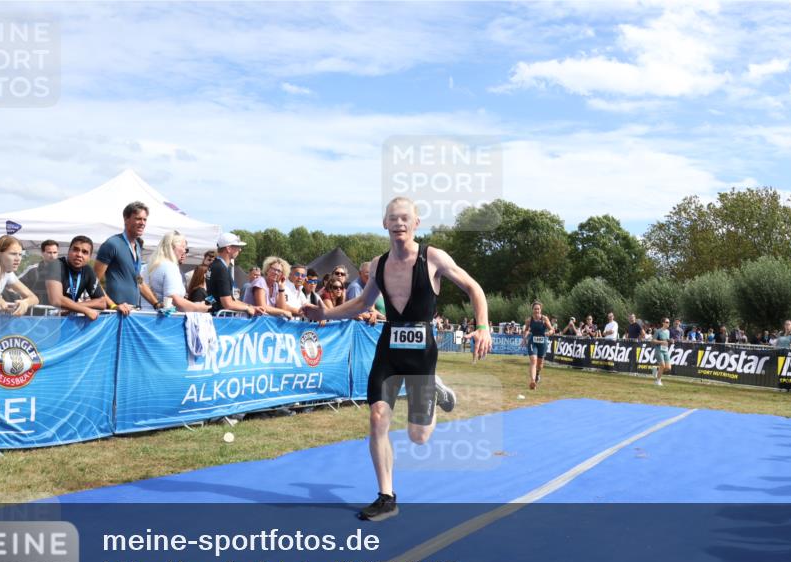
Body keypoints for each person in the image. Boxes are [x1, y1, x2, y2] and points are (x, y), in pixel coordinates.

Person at [301, 196, 492, 522]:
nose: (399, 222)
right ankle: (386, 497)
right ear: (385, 223)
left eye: (406, 217)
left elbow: (473, 288)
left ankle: (433, 388)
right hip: (389, 346)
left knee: (419, 437)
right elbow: (363, 304)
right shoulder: (378, 264)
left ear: (416, 223)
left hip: (422, 352)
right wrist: (327, 313)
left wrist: (483, 327)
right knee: (377, 418)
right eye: (393, 217)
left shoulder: (433, 257)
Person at [94, 201, 161, 311]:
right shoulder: (112, 244)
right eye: (138, 218)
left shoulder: (138, 247)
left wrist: (156, 304)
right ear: (126, 219)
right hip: (116, 313)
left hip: (133, 312)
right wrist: (113, 306)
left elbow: (138, 280)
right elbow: (94, 282)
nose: (142, 223)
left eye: (144, 219)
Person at [44, 235, 123, 320]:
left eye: (84, 252)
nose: (79, 254)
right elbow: (56, 299)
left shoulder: (88, 270)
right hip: (43, 320)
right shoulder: (55, 265)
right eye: (75, 249)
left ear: (89, 257)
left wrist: (73, 307)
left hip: (64, 320)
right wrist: (85, 310)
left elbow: (102, 302)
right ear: (69, 250)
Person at [141, 231, 211, 314]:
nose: (185, 251)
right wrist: (198, 307)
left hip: (145, 315)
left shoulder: (147, 266)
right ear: (172, 247)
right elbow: (174, 299)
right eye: (183, 247)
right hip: (163, 320)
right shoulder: (170, 266)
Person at [207, 233, 262, 317]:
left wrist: (251, 307)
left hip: (216, 315)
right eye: (237, 247)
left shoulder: (214, 265)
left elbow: (230, 299)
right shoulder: (221, 268)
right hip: (220, 319)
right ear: (228, 249)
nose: (240, 250)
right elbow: (227, 304)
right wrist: (247, 308)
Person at [522, 301, 554, 390]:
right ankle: (532, 381)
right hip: (533, 341)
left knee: (539, 365)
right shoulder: (529, 320)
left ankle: (537, 374)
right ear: (532, 310)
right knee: (533, 360)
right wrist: (524, 338)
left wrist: (549, 333)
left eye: (538, 309)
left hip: (543, 342)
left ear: (541, 310)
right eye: (535, 309)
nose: (537, 311)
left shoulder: (544, 319)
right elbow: (527, 330)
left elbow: (552, 329)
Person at [20, 239, 59, 305]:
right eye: (49, 252)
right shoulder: (33, 270)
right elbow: (16, 286)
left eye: (55, 252)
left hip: (58, 313)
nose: (52, 256)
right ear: (42, 253)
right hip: (35, 312)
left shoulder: (64, 270)